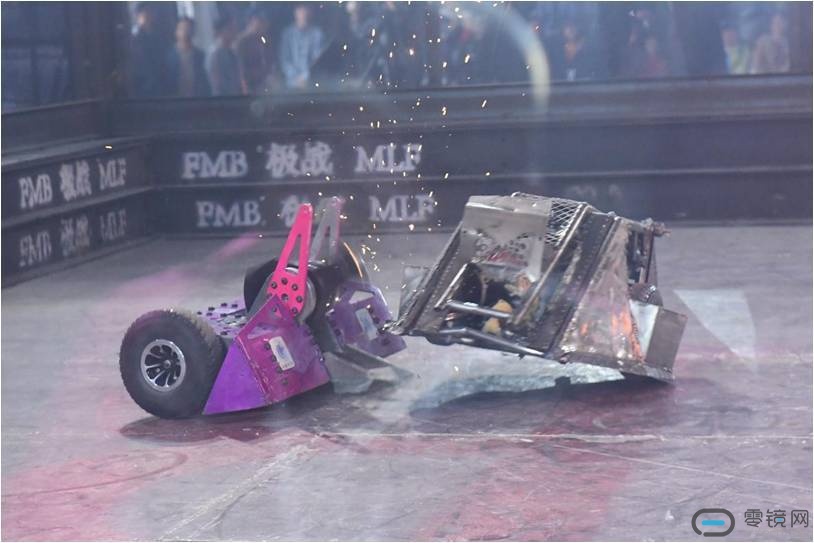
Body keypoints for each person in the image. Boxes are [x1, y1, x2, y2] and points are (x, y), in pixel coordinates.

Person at [279, 4, 325, 89]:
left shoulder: (317, 34)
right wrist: (295, 77)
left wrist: (306, 77)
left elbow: (318, 60)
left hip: (313, 84)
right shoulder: (287, 34)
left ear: (310, 13)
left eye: (306, 10)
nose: (303, 14)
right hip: (291, 84)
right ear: (295, 13)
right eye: (300, 11)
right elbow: (285, 60)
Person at [129, 2, 167, 97]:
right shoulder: (133, 37)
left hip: (158, 85)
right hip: (140, 85)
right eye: (146, 12)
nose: (150, 15)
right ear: (138, 16)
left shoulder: (158, 36)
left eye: (151, 12)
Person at [166, 17, 210, 97]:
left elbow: (204, 82)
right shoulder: (168, 57)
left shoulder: (200, 56)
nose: (185, 32)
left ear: (193, 32)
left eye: (188, 29)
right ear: (176, 32)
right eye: (182, 29)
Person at [235, 9, 273, 95]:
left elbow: (268, 58)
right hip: (249, 87)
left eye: (264, 21)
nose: (264, 24)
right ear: (251, 21)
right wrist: (245, 89)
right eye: (260, 21)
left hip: (264, 85)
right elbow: (240, 71)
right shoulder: (241, 43)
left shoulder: (263, 38)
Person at [207, 14, 241, 95]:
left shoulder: (231, 51)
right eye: (230, 29)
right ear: (220, 32)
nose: (234, 32)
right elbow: (216, 84)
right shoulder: (215, 54)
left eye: (234, 29)